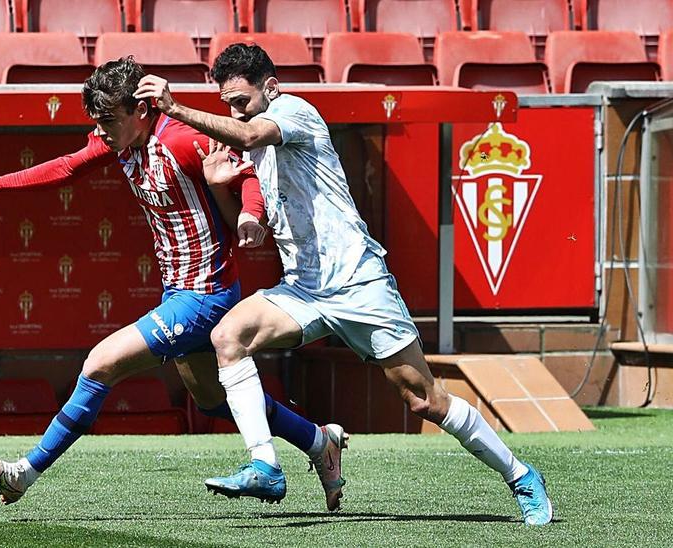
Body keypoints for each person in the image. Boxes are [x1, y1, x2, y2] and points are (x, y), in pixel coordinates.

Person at [133, 43, 553, 525]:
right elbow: (253, 228)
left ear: (270, 87)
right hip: (305, 289)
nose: (234, 111)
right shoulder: (260, 146)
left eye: (240, 100)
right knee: (228, 337)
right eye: (227, 101)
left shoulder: (294, 111)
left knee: (424, 399)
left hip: (359, 283)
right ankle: (265, 464)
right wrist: (220, 190)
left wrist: (176, 109)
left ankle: (521, 475)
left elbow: (250, 134)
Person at [0, 57, 351, 510]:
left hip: (206, 295)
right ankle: (319, 442)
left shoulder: (181, 138)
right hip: (178, 290)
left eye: (107, 120)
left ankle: (24, 473)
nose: (99, 131)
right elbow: (66, 166)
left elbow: (249, 172)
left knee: (100, 363)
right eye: (95, 121)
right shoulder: (120, 140)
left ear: (140, 111)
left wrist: (250, 216)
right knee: (214, 401)